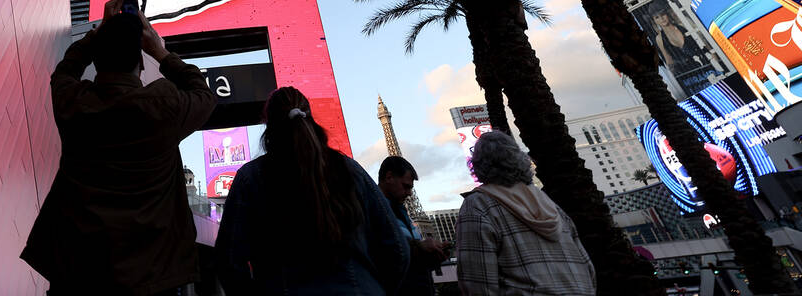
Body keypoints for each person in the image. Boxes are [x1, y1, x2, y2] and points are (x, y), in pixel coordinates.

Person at [21, 0, 217, 295]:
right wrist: (161, 52)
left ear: (97, 61)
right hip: (153, 277)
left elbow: (65, 71)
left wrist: (95, 35)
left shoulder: (75, 105)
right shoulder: (163, 107)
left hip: (78, 275)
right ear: (141, 62)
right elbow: (203, 94)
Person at [215, 87, 409, 295]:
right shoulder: (349, 169)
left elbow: (229, 260)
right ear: (309, 116)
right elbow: (397, 247)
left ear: (268, 125)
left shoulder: (250, 178)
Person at [456, 131, 595, 296]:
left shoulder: (478, 205)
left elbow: (477, 284)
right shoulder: (548, 204)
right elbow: (588, 267)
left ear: (477, 164)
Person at [378, 156, 450, 295]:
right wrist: (420, 248)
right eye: (406, 186)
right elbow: (383, 255)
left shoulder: (401, 211)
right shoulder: (374, 210)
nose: (410, 193)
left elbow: (410, 262)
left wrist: (431, 257)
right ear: (389, 177)